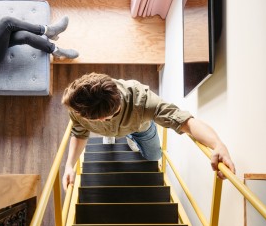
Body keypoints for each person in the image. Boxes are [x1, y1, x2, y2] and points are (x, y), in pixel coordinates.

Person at [61, 72, 236, 190]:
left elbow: (187, 123)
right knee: (110, 134)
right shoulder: (79, 105)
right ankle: (112, 136)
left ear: (104, 117)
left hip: (140, 128)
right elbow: (79, 132)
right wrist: (69, 165)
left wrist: (217, 144)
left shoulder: (144, 102)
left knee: (154, 157)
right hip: (112, 129)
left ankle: (131, 138)